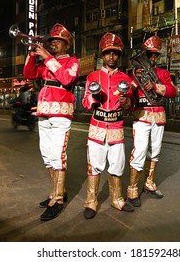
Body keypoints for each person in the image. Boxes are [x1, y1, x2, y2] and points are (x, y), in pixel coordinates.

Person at [23, 23, 80, 221]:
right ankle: (58, 191)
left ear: (67, 45)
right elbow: (29, 74)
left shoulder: (72, 61)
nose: (54, 43)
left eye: (58, 41)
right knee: (47, 156)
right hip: (44, 112)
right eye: (52, 41)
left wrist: (47, 57)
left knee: (58, 156)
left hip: (61, 114)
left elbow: (66, 79)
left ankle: (57, 200)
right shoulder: (48, 63)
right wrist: (31, 54)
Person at [82, 32, 135, 219]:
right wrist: (93, 98)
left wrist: (125, 100)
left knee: (117, 164)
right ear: (102, 55)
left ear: (119, 56)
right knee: (94, 165)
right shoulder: (92, 77)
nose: (111, 57)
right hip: (97, 127)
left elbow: (131, 105)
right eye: (107, 53)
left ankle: (117, 198)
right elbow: (85, 102)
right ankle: (91, 201)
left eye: (115, 54)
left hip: (116, 127)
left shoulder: (125, 79)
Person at [127, 35, 177, 207]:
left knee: (155, 151)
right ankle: (132, 189)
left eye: (155, 55)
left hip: (159, 116)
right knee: (139, 151)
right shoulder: (134, 73)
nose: (153, 59)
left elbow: (172, 91)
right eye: (149, 55)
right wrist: (135, 81)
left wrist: (155, 87)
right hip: (142, 115)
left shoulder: (163, 73)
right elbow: (128, 93)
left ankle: (149, 183)